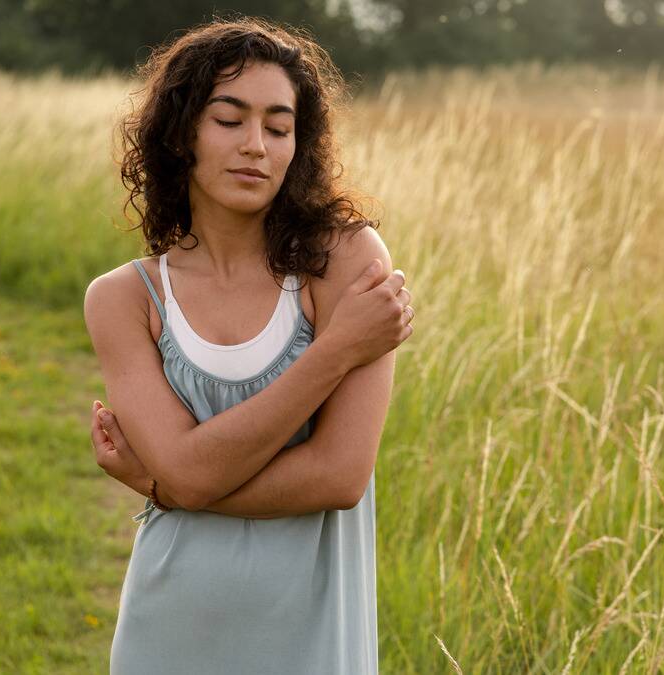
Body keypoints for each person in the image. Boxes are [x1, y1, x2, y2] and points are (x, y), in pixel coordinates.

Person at [81, 17, 414, 674]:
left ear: (299, 143)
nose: (256, 145)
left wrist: (166, 482)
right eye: (229, 120)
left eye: (278, 126)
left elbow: (341, 475)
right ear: (181, 136)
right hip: (167, 635)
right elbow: (186, 472)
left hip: (315, 642)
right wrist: (335, 351)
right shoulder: (124, 298)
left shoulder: (345, 260)